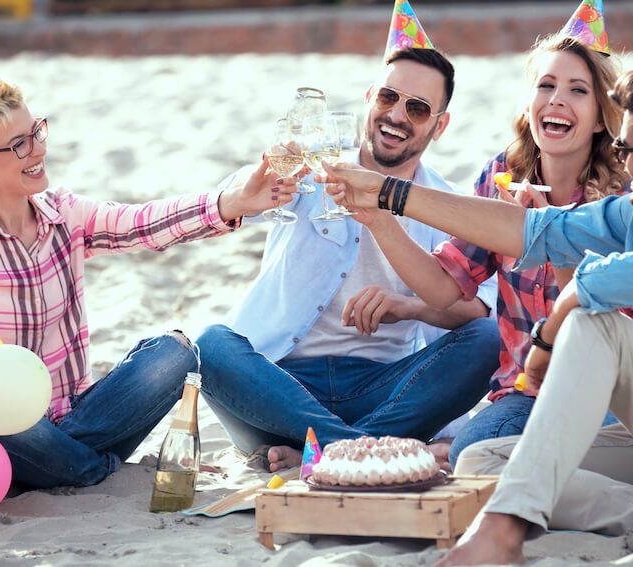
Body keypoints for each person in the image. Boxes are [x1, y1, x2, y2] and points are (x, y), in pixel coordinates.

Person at [323, 13, 633, 564]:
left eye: (628, 151)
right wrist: (387, 194)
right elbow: (536, 231)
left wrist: (546, 339)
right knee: (483, 461)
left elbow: (608, 282)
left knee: (593, 320)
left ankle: (503, 533)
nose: (621, 161)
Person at [0, 34, 294, 488]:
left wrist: (231, 202)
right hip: (6, 431)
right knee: (2, 414)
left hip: (82, 414)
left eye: (36, 132)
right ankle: (89, 468)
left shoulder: (63, 214)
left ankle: (71, 462)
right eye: (18, 144)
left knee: (174, 353)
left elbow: (141, 223)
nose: (38, 150)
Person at [196, 45, 501, 473]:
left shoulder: (445, 202)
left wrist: (409, 308)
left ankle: (325, 448)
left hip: (382, 388)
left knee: (487, 338)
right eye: (388, 98)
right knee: (211, 344)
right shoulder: (313, 166)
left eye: (417, 108)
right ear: (369, 97)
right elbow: (232, 202)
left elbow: (481, 306)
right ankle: (367, 450)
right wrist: (255, 184)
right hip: (279, 387)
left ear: (440, 125)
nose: (396, 115)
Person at [424, 28, 630, 467]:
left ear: (599, 117)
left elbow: (603, 329)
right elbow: (444, 286)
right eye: (546, 85)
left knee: (589, 454)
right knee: (472, 452)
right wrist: (379, 212)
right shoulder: (501, 175)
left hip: (607, 391)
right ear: (530, 102)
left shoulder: (622, 198)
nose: (557, 99)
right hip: (528, 393)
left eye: (578, 90)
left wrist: (546, 237)